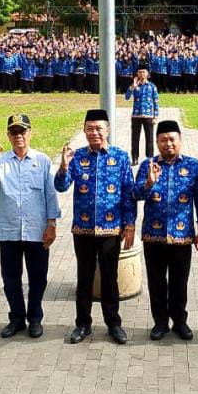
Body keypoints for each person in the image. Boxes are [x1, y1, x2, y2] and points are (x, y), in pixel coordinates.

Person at [55, 109, 136, 345]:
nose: (94, 133)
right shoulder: (77, 157)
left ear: (108, 130)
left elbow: (129, 195)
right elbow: (61, 187)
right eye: (90, 128)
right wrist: (62, 166)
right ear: (84, 130)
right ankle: (83, 324)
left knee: (110, 279)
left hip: (111, 230)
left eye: (99, 128)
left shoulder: (120, 157)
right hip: (83, 229)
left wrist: (129, 226)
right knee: (85, 278)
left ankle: (114, 324)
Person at [0, 114, 59, 339]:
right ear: (8, 135)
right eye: (14, 132)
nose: (18, 136)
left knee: (38, 277)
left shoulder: (42, 160)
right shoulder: (1, 161)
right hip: (10, 230)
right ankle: (16, 318)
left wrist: (52, 224)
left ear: (30, 133)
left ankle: (35, 318)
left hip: (37, 230)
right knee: (10, 277)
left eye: (22, 132)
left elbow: (50, 195)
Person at [133, 119, 198, 341]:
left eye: (172, 139)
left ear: (180, 140)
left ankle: (180, 321)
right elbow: (136, 194)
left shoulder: (194, 166)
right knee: (156, 282)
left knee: (179, 282)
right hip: (153, 236)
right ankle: (160, 322)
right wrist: (149, 182)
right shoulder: (148, 165)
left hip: (182, 236)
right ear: (156, 142)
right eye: (163, 140)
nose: (168, 144)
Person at [124, 65, 159, 163]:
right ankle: (135, 158)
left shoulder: (152, 86)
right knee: (135, 138)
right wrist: (132, 87)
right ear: (137, 74)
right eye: (140, 72)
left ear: (148, 74)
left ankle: (150, 158)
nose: (142, 74)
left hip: (148, 116)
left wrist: (155, 116)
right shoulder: (135, 85)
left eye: (144, 72)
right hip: (136, 116)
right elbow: (126, 98)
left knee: (150, 138)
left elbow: (156, 102)